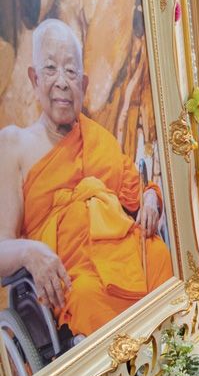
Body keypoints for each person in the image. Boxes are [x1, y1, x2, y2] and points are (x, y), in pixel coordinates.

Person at [0, 19, 172, 337]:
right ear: (34, 78)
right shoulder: (13, 144)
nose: (63, 82)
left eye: (71, 71)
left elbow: (138, 191)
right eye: (51, 69)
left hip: (118, 255)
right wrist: (29, 251)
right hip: (69, 275)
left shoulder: (97, 139)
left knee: (160, 255)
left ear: (85, 83)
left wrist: (151, 196)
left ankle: (173, 357)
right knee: (88, 296)